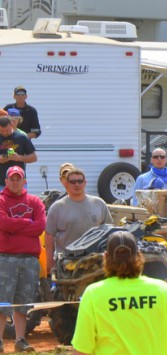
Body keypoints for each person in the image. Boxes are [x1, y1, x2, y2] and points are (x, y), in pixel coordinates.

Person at [71, 231, 167, 355]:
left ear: (106, 257)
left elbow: (82, 351)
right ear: (139, 255)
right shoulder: (162, 290)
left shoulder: (93, 294)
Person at [0, 166, 46, 353]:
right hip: (5, 258)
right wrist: (27, 222)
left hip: (29, 259)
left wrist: (13, 228)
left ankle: (21, 340)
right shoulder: (1, 200)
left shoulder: (35, 201)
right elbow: (2, 222)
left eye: (19, 178)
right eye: (12, 179)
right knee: (2, 302)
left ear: (24, 181)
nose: (16, 182)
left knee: (23, 302)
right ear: (6, 181)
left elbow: (40, 227)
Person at [45, 167, 113, 273]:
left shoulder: (99, 203)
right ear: (66, 184)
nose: (77, 184)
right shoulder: (57, 207)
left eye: (80, 181)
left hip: (96, 261)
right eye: (73, 182)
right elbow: (49, 235)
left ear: (85, 183)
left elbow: (109, 231)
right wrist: (49, 261)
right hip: (67, 262)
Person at [131, 148, 167, 221]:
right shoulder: (142, 178)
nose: (159, 159)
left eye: (162, 157)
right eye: (156, 157)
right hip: (148, 221)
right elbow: (135, 200)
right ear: (151, 160)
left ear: (166, 160)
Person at [0, 115, 37, 188]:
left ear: (12, 125)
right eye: (1, 131)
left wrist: (19, 158)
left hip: (19, 183)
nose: (4, 133)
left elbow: (34, 157)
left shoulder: (21, 137)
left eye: (7, 130)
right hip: (1, 183)